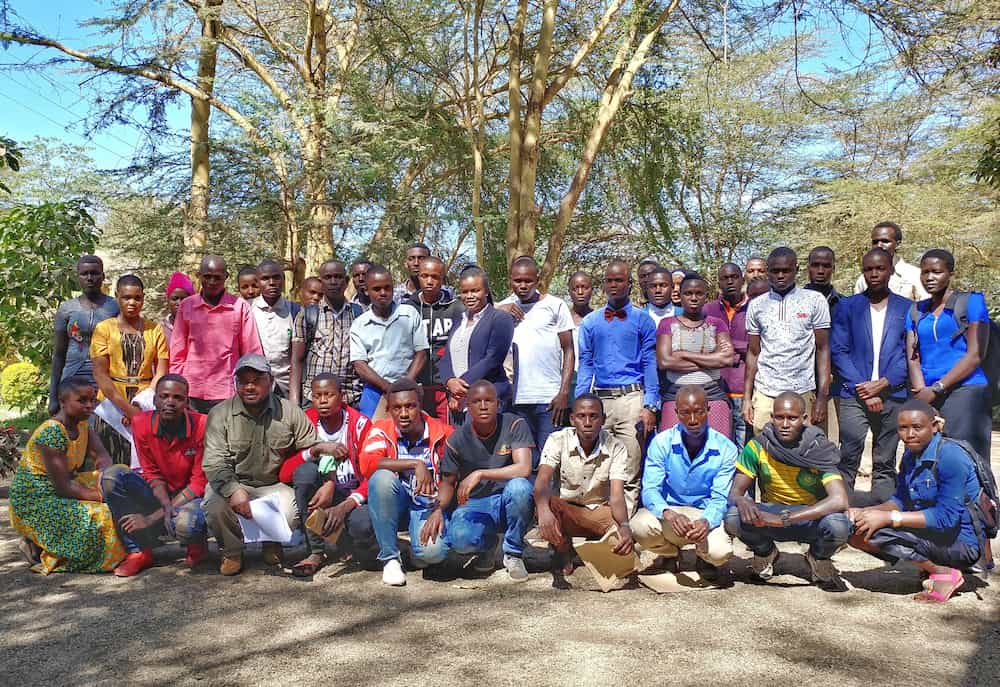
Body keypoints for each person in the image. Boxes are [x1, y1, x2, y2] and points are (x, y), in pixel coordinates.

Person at [201, 354, 343, 575]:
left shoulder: (290, 411)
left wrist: (329, 482)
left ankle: (272, 542)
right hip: (234, 481)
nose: (250, 386)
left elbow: (316, 449)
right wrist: (233, 490)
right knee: (213, 504)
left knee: (292, 509)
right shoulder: (219, 414)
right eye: (243, 381)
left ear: (271, 381)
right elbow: (214, 461)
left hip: (274, 484)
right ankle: (231, 551)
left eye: (256, 380)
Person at [849, 399, 981, 602]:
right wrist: (866, 512)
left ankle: (945, 574)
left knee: (879, 531)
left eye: (917, 427)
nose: (909, 434)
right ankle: (933, 566)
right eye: (903, 428)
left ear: (934, 426)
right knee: (858, 528)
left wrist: (888, 517)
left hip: (961, 543)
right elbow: (900, 500)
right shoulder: (911, 455)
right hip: (935, 534)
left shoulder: (951, 457)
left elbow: (945, 518)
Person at [11, 377, 139, 575]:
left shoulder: (82, 425)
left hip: (66, 484)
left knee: (120, 474)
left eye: (92, 400)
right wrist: (105, 497)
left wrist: (108, 480)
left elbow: (103, 458)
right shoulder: (52, 432)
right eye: (82, 400)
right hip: (38, 499)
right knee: (105, 515)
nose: (89, 405)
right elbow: (64, 488)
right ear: (63, 402)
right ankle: (41, 547)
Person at [725, 392, 851, 584]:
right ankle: (765, 552)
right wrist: (742, 501)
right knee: (733, 516)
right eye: (779, 417)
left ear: (804, 419)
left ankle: (819, 556)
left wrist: (785, 518)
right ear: (771, 417)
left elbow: (839, 500)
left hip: (809, 517)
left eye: (792, 418)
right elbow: (735, 493)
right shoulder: (757, 447)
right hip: (769, 514)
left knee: (839, 525)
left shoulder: (818, 448)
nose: (785, 424)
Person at [575, 260, 659, 509]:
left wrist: (650, 405)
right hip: (600, 400)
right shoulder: (591, 322)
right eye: (609, 281)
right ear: (603, 285)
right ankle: (600, 519)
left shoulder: (643, 320)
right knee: (599, 463)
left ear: (629, 284)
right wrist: (580, 400)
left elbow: (649, 362)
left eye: (619, 280)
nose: (614, 285)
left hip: (631, 398)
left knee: (631, 463)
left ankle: (627, 519)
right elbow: (586, 363)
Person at [631, 386, 737, 580]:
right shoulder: (661, 442)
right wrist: (668, 513)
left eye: (699, 412)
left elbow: (720, 497)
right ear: (676, 413)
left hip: (704, 512)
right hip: (671, 511)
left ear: (708, 410)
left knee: (720, 553)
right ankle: (670, 554)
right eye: (685, 413)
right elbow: (650, 489)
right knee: (639, 526)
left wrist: (707, 521)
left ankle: (704, 558)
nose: (693, 420)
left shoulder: (726, 448)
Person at [832, 248, 910, 505]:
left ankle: (881, 515)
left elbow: (909, 354)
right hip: (854, 394)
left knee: (885, 460)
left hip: (893, 394)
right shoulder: (848, 306)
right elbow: (839, 350)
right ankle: (841, 515)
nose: (874, 274)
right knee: (848, 455)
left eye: (880, 268)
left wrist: (884, 384)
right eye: (868, 269)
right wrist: (864, 389)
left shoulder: (907, 308)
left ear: (890, 270)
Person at [278, 374, 377, 576]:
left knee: (362, 527)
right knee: (305, 473)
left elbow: (373, 475)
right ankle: (315, 551)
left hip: (353, 496)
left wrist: (346, 505)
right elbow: (285, 473)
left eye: (329, 395)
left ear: (342, 396)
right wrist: (315, 450)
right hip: (321, 497)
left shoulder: (360, 424)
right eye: (317, 396)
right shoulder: (306, 422)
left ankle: (346, 544)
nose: (322, 401)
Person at [435, 381, 534, 580]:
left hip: (506, 500)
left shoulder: (514, 424)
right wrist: (437, 509)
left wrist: (480, 473)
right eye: (476, 401)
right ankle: (487, 546)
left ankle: (513, 553)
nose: (483, 406)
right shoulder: (456, 439)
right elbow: (447, 482)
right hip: (474, 503)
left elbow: (524, 468)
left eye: (488, 401)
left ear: (498, 404)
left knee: (521, 487)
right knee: (460, 539)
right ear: (468, 406)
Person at [359, 378, 454, 586]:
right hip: (395, 503)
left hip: (427, 505)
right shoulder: (381, 429)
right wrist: (415, 464)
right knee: (381, 478)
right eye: (397, 408)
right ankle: (390, 559)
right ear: (388, 409)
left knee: (433, 553)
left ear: (420, 406)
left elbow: (453, 478)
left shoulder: (443, 433)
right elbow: (367, 464)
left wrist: (439, 509)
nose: (403, 413)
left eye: (410, 406)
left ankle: (413, 552)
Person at [906, 249, 992, 461]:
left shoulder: (971, 302)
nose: (929, 278)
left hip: (966, 391)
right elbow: (913, 357)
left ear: (950, 274)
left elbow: (975, 354)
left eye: (936, 272)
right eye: (925, 272)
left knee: (965, 457)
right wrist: (923, 395)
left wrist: (938, 388)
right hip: (927, 394)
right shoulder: (915, 311)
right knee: (923, 457)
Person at [534, 394, 635, 575]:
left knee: (621, 546)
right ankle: (563, 549)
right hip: (566, 510)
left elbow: (617, 496)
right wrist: (543, 512)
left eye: (593, 416)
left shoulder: (616, 447)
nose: (587, 422)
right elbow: (542, 481)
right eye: (581, 416)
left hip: (597, 512)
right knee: (546, 504)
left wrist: (625, 526)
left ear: (603, 419)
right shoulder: (558, 440)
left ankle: (594, 545)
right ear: (572, 419)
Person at [743, 247, 831, 435]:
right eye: (775, 271)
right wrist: (747, 398)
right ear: (768, 271)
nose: (780, 276)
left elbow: (822, 349)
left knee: (803, 447)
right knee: (764, 446)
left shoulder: (815, 301)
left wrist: (822, 397)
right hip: (765, 391)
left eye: (786, 270)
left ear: (796, 269)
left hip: (802, 390)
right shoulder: (757, 305)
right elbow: (753, 352)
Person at [497, 256, 574, 467]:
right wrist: (500, 311)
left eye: (528, 281)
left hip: (549, 399)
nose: (523, 286)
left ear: (538, 280)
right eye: (517, 280)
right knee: (525, 462)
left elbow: (568, 349)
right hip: (516, 400)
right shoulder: (503, 309)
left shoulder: (555, 305)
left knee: (550, 461)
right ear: (510, 281)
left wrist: (564, 392)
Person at [131, 374, 210, 567]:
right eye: (164, 396)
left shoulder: (202, 425)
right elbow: (150, 472)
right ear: (154, 400)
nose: (170, 402)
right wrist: (165, 506)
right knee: (114, 477)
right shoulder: (140, 423)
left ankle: (196, 543)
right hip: (161, 492)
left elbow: (199, 483)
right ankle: (139, 551)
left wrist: (152, 518)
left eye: (178, 398)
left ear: (187, 403)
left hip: (192, 494)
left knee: (186, 525)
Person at [91, 275, 170, 464]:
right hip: (111, 406)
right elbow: (100, 374)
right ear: (117, 296)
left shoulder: (154, 330)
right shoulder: (104, 329)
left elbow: (161, 371)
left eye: (137, 298)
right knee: (111, 463)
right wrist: (127, 410)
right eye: (126, 297)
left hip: (147, 403)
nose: (132, 303)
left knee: (147, 462)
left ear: (143, 298)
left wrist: (140, 407)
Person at [170, 254, 263, 413]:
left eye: (217, 277)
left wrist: (251, 387)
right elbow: (177, 354)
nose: (212, 282)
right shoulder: (187, 306)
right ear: (199, 276)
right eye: (207, 276)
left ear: (226, 277)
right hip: (192, 391)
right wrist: (178, 390)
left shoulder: (240, 307)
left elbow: (252, 353)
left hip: (227, 392)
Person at [656, 273, 734, 437]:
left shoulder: (717, 324)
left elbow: (727, 358)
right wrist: (712, 360)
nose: (693, 298)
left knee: (718, 444)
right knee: (672, 445)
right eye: (688, 293)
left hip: (711, 393)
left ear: (706, 296)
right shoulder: (667, 324)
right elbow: (665, 362)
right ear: (679, 296)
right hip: (676, 394)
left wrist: (683, 354)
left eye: (699, 293)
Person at [349, 264, 429, 419]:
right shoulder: (359, 324)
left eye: (387, 288)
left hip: (409, 389)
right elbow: (359, 365)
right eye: (376, 289)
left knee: (411, 431)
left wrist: (405, 385)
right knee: (373, 432)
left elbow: (421, 353)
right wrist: (387, 387)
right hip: (375, 392)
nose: (383, 293)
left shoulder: (409, 314)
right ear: (366, 290)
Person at [48, 255, 120, 414]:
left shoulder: (115, 307)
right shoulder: (66, 309)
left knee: (102, 423)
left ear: (103, 276)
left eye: (94, 273)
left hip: (106, 377)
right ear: (78, 277)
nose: (89, 278)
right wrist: (53, 397)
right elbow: (59, 354)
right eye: (84, 274)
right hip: (72, 377)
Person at [440, 267, 515, 419]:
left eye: (475, 291)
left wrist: (460, 388)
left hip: (486, 401)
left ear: (486, 291)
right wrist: (449, 381)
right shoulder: (458, 320)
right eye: (465, 292)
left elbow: (492, 359)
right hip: (458, 404)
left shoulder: (500, 318)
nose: (469, 296)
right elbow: (447, 356)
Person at [290, 260, 363, 409]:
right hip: (314, 398)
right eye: (328, 277)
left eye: (338, 277)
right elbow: (297, 360)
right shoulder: (308, 315)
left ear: (346, 281)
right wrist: (294, 403)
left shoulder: (358, 314)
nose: (333, 282)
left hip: (350, 398)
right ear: (321, 282)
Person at [405, 255, 465, 420]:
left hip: (445, 387)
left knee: (446, 431)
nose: (429, 281)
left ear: (443, 279)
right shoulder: (408, 309)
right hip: (417, 385)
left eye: (435, 277)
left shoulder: (456, 308)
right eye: (425, 276)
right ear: (418, 277)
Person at [704, 263, 750, 449]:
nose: (730, 281)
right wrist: (738, 349)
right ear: (718, 283)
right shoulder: (707, 310)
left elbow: (757, 346)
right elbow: (704, 346)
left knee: (743, 447)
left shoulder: (754, 307)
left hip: (743, 390)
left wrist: (727, 348)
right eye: (725, 278)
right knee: (718, 446)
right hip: (715, 390)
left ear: (742, 279)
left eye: (734, 277)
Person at [251, 259, 298, 397]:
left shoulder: (294, 310)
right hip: (255, 384)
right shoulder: (247, 309)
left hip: (286, 385)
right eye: (265, 278)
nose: (271, 283)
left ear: (283, 280)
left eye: (276, 277)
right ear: (257, 282)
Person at [853, 221, 929, 301]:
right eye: (875, 242)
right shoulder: (864, 280)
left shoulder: (914, 276)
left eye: (885, 241)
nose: (879, 245)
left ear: (897, 244)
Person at [567, 271, 594, 373]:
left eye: (585, 288)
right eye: (575, 288)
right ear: (569, 291)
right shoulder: (562, 319)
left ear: (592, 290)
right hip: (567, 376)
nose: (580, 292)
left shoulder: (598, 320)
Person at [804, 246, 842, 312]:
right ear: (808, 268)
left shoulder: (844, 304)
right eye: (815, 265)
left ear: (833, 269)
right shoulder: (794, 302)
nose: (820, 271)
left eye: (826, 266)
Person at [161, 271, 194, 344]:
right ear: (168, 300)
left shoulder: (198, 326)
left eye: (184, 299)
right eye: (174, 299)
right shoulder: (160, 329)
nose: (179, 303)